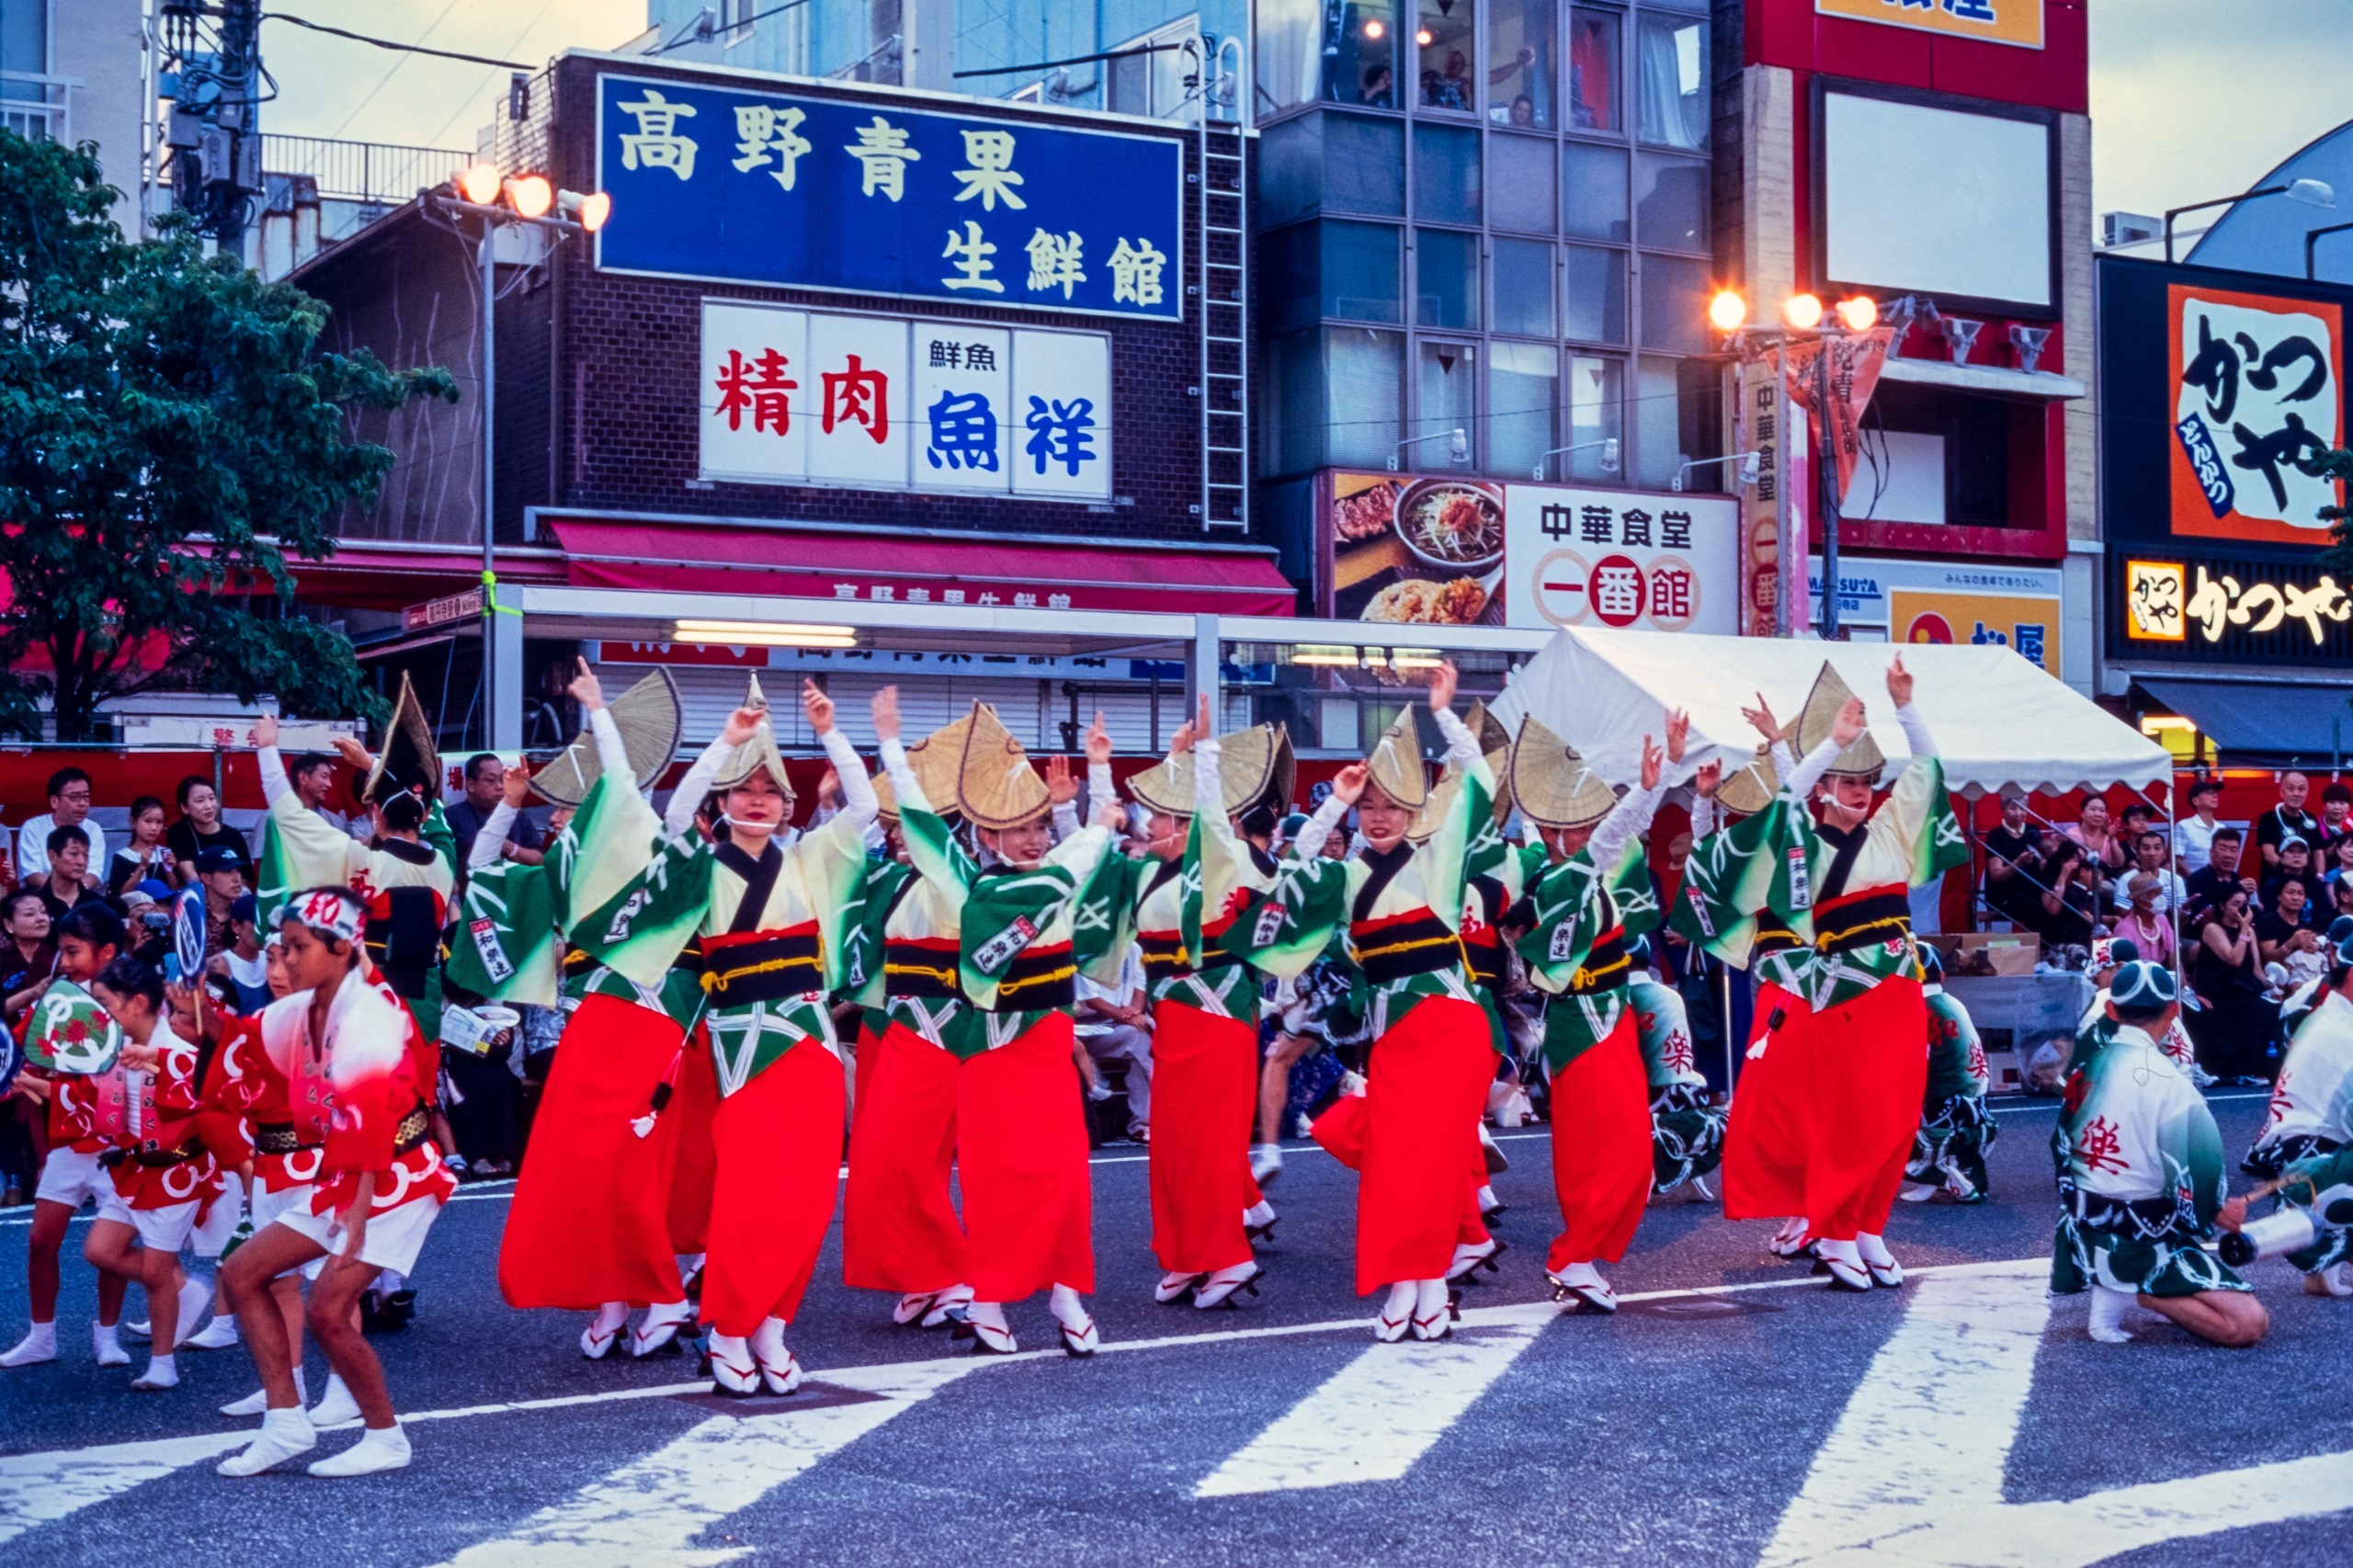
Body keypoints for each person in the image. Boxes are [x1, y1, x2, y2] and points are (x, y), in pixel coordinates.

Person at [1239, 662, 1498, 1342]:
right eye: (1369, 807)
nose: (1379, 818)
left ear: (1415, 811)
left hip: (1446, 1025)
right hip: (1393, 1033)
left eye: (1392, 806)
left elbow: (1478, 784)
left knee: (1432, 1161)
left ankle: (1430, 1285)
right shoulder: (1348, 871)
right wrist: (1332, 801)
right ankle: (1409, 1281)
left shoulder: (1436, 859)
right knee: (1393, 1165)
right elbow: (1289, 875)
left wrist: (1443, 715)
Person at [880, 694, 1122, 1358]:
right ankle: (987, 1296)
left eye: (1040, 825)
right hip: (989, 1050)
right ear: (986, 836)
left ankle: (1066, 1291)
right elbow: (923, 827)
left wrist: (1097, 775)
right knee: (996, 1183)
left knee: (1064, 1178)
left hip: (1046, 1043)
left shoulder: (1057, 872)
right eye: (1017, 829)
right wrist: (892, 749)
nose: (1034, 838)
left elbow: (1090, 859)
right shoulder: (978, 892)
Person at [480, 663, 706, 1364]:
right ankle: (616, 1299)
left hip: (646, 1017)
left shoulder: (646, 841)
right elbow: (483, 875)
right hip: (592, 1023)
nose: (560, 813)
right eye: (557, 807)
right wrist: (504, 806)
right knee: (586, 1167)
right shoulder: (560, 863)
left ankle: (664, 1293)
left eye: (575, 803)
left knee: (632, 1165)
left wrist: (598, 710)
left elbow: (625, 782)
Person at [214, 887, 456, 1477]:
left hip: (394, 1179)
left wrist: (353, 1217)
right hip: (347, 1176)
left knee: (328, 1308)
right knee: (242, 1272)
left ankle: (385, 1436)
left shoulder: (370, 1014)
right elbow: (249, 1044)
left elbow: (373, 1124)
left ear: (343, 949)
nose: (286, 962)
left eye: (298, 949)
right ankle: (285, 1423)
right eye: (281, 949)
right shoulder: (305, 1009)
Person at [1771, 656, 1963, 1291]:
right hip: (1846, 994)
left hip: (1901, 986)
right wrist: (1833, 743)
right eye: (1847, 782)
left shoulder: (1889, 830)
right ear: (1825, 786)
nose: (1860, 791)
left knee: (1900, 1114)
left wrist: (1905, 708)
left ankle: (1868, 1227)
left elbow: (1930, 771)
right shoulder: (1805, 842)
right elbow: (1781, 800)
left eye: (1866, 782)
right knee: (1854, 1116)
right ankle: (1832, 1229)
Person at [1109, 700, 1294, 1310]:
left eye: (1162, 819)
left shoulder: (1219, 861)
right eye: (1151, 818)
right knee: (1172, 1145)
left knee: (1210, 1145)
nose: (1149, 826)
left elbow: (1210, 818)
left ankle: (1228, 1257)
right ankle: (1188, 1254)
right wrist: (1173, 758)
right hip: (1172, 1022)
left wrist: (1205, 757)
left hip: (1216, 1016)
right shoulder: (1146, 875)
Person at [1506, 710, 1681, 1311]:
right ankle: (1573, 1255)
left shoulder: (1584, 877)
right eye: (1567, 827)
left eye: (1584, 825)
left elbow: (1612, 842)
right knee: (1624, 1151)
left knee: (1595, 1151)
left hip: (1611, 1015)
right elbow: (1613, 836)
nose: (1582, 835)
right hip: (1585, 1023)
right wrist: (1653, 785)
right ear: (1547, 831)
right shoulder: (1558, 883)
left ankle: (1579, 1256)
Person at [2051, 960, 2267, 1348]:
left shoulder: (2085, 1069)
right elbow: (2198, 1174)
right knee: (2247, 1324)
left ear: (2112, 1010)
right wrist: (2218, 1208)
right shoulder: (2172, 1084)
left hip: (2084, 1225)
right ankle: (2135, 1288)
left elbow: (2060, 1147)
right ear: (2173, 1011)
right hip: (2140, 1236)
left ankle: (2114, 1277)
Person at [81, 955, 222, 1390]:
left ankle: (164, 1365)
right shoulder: (115, 1045)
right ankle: (186, 1289)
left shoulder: (176, 1049)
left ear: (137, 1002)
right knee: (100, 1251)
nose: (98, 1014)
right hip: (133, 1167)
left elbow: (200, 1100)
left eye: (104, 1003)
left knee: (156, 1273)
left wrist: (159, 1066)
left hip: (176, 1172)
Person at [0, 904, 131, 1368]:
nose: (66, 960)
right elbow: (15, 1048)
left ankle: (108, 1334)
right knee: (40, 1241)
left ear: (107, 951)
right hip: (68, 1140)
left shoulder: (135, 998)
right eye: (63, 950)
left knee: (114, 1248)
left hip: (120, 1143)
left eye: (74, 951)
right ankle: (42, 1335)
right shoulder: (55, 1000)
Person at [2236, 933, 2353, 1297]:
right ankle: (2323, 1241)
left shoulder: (2329, 1015)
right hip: (2309, 1165)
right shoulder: (2342, 1033)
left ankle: (2327, 1252)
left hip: (2292, 1153)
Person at [1903, 948, 1996, 1204]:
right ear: (1942, 976)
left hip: (1945, 1105)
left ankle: (1944, 1178)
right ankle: (1951, 1173)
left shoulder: (1918, 1007)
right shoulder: (1953, 1002)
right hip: (1976, 1102)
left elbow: (1915, 1066)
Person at [2189, 889, 2276, 1083]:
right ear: (2223, 906)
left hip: (2243, 987)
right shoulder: (2212, 928)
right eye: (2235, 904)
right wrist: (2244, 928)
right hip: (2219, 990)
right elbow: (2234, 959)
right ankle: (2232, 1069)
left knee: (2267, 1007)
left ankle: (2255, 1069)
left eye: (2244, 904)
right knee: (2251, 1008)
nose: (2241, 909)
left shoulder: (2249, 931)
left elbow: (2255, 969)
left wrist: (2270, 988)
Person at [1073, 935, 1152, 1143]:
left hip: (1116, 1025)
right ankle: (1091, 1123)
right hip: (1080, 1025)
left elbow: (1139, 989)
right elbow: (1093, 1001)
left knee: (1140, 1039)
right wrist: (1127, 1016)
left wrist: (1134, 1011)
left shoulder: (1134, 948)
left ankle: (1141, 1124)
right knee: (1077, 1052)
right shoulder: (1085, 948)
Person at [444, 753, 544, 871]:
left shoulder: (517, 814)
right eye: (491, 780)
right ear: (470, 784)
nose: (499, 786)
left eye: (502, 779)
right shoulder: (450, 817)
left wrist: (510, 848)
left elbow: (540, 859)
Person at [15, 767, 107, 883]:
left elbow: (94, 873)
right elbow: (33, 875)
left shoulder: (93, 829)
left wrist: (75, 894)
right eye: (74, 797)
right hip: (40, 895)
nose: (82, 803)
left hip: (82, 895)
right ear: (54, 801)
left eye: (86, 797)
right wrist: (61, 894)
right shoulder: (33, 828)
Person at [167, 776, 252, 887]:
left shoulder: (233, 835)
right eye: (200, 801)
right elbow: (190, 876)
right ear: (184, 808)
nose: (208, 806)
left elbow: (244, 878)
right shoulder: (178, 832)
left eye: (212, 798)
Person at [1981, 792, 2043, 929]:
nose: (2018, 813)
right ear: (2003, 809)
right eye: (2013, 808)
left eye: (2022, 808)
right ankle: (2041, 947)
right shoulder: (1996, 835)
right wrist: (2019, 862)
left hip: (2032, 892)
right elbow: (1996, 875)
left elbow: (2043, 863)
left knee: (2057, 903)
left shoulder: (2033, 830)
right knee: (2040, 907)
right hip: (2005, 896)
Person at [29, 825, 111, 925]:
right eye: (74, 853)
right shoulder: (34, 903)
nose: (81, 862)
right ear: (53, 857)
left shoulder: (99, 905)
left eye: (86, 855)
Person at [2031, 839, 2101, 953]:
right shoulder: (2049, 882)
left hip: (2081, 936)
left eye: (2082, 858)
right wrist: (2063, 873)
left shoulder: (2077, 886)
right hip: (2058, 939)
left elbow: (2084, 911)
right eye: (2076, 858)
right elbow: (2053, 908)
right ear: (2063, 861)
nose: (2079, 862)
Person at [2185, 826, 2255, 924]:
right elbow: (2202, 917)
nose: (2228, 855)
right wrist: (2235, 890)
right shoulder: (2198, 878)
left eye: (2233, 850)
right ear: (2211, 852)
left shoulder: (2236, 878)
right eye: (2222, 848)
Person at [108, 797, 175, 896]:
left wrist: (169, 871)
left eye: (159, 822)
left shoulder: (165, 853)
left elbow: (174, 890)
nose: (154, 827)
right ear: (133, 822)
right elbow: (120, 894)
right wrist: (142, 867)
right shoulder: (122, 857)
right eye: (148, 821)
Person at [2255, 770, 2319, 873]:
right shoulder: (2268, 818)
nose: (2296, 794)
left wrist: (2320, 876)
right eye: (2291, 788)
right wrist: (2290, 874)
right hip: (2276, 879)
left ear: (2307, 794)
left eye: (2301, 789)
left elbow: (2318, 853)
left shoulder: (2310, 819)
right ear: (2281, 792)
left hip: (2305, 881)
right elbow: (2269, 855)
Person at [2109, 830, 2185, 915]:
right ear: (2138, 854)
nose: (2152, 853)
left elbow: (2180, 919)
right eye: (2146, 849)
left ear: (2164, 853)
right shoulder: (2126, 880)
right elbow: (2122, 915)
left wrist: (2184, 910)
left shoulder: (2175, 879)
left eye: (2157, 848)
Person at [2113, 871, 2177, 971]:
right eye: (2156, 893)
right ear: (2140, 901)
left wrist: (2184, 986)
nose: (2161, 897)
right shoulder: (2125, 928)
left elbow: (2174, 956)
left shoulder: (2162, 919)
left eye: (2161, 892)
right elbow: (2126, 969)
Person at [2173, 778, 2224, 877]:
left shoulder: (2222, 828)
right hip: (2192, 885)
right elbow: (2177, 859)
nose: (2215, 795)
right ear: (2195, 801)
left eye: (2215, 793)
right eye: (2208, 793)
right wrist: (2195, 880)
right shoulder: (2183, 825)